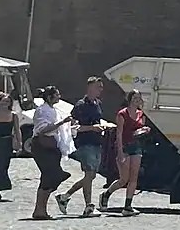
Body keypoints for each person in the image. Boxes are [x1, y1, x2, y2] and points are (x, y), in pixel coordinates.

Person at [59, 80, 108, 217]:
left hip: (97, 142)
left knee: (90, 175)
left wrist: (102, 126)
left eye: (101, 87)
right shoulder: (80, 106)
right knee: (89, 174)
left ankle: (65, 196)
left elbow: (97, 120)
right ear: (90, 88)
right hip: (85, 143)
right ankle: (88, 206)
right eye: (98, 87)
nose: (101, 89)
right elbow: (74, 127)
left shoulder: (97, 103)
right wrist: (92, 128)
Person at [106, 91, 152, 214]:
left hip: (136, 146)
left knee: (134, 177)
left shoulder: (141, 114)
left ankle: (127, 206)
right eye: (135, 98)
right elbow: (119, 134)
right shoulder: (122, 114)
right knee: (123, 179)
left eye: (139, 98)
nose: (137, 100)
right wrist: (120, 152)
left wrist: (144, 130)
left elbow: (140, 128)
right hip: (125, 146)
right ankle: (106, 194)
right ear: (130, 99)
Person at [27, 93, 68, 221]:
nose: (59, 96)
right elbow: (42, 129)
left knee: (49, 177)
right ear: (49, 97)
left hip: (53, 145)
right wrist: (61, 122)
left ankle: (40, 209)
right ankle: (39, 209)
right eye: (56, 95)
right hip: (42, 145)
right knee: (50, 175)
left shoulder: (54, 110)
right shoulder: (41, 110)